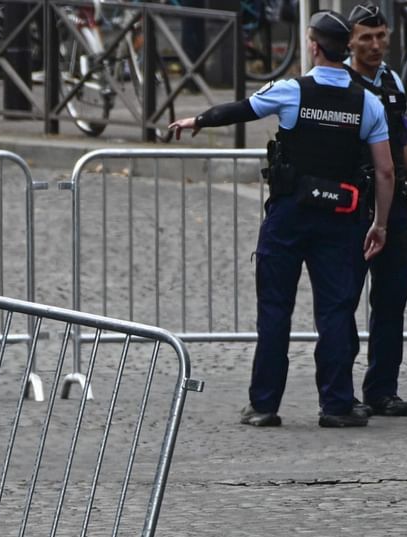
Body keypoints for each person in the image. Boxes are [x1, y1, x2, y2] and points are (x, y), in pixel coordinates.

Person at [169, 10, 395, 428]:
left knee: (274, 311)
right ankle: (337, 405)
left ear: (313, 46)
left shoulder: (292, 90)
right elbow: (384, 171)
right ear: (344, 49)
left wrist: (198, 120)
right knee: (335, 311)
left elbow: (241, 109)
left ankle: (264, 405)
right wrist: (380, 224)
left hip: (290, 214)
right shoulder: (367, 102)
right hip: (342, 216)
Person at [344, 2, 407, 417]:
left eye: (381, 37)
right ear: (350, 41)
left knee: (391, 299)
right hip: (351, 204)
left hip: (392, 201)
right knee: (342, 300)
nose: (375, 45)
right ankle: (341, 393)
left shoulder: (392, 80)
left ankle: (382, 389)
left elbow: (402, 146)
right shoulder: (336, 81)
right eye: (366, 38)